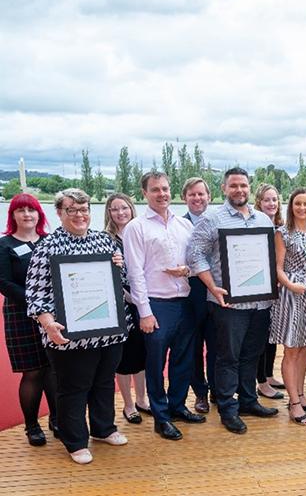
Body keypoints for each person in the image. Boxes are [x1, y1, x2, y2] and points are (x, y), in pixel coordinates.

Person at [26, 188, 130, 465]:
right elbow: (34, 294)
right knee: (73, 388)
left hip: (108, 331)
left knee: (104, 383)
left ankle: (103, 428)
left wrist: (120, 265)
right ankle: (75, 441)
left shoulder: (103, 241)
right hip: (69, 335)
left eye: (84, 209)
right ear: (59, 213)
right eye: (72, 210)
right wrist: (48, 324)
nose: (80, 215)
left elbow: (123, 281)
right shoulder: (47, 247)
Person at [187, 168, 279, 435]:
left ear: (249, 188)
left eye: (244, 185)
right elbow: (195, 255)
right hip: (228, 304)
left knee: (251, 354)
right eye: (234, 186)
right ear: (224, 188)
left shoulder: (263, 219)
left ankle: (249, 401)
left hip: (260, 303)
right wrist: (212, 286)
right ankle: (228, 408)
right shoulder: (211, 219)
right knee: (228, 357)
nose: (239, 190)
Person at [124, 172, 204, 441]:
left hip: (185, 302)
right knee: (156, 364)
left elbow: (197, 261)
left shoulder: (184, 225)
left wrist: (188, 270)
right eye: (155, 189)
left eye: (165, 189)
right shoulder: (136, 228)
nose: (162, 194)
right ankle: (161, 417)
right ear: (144, 193)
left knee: (184, 360)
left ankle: (178, 405)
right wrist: (144, 312)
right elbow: (135, 273)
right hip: (156, 305)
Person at [0, 194, 57, 446]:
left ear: (39, 214)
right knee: (33, 371)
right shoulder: (5, 245)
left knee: (54, 368)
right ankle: (32, 425)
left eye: (31, 210)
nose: (27, 215)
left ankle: (57, 419)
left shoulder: (49, 240)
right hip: (20, 314)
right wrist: (35, 302)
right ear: (12, 215)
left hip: (54, 315)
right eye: (20, 210)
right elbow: (4, 283)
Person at [269, 188, 306, 425]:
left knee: (304, 348)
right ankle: (293, 403)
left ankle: (301, 395)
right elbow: (278, 268)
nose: (302, 208)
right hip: (291, 295)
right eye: (298, 204)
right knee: (291, 349)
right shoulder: (283, 233)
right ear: (291, 207)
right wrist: (291, 286)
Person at [104, 193, 150, 425]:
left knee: (141, 354)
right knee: (124, 357)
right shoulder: (106, 240)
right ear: (109, 213)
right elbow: (107, 275)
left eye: (124, 208)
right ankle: (128, 405)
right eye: (115, 209)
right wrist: (129, 296)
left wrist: (142, 298)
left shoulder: (140, 233)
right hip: (121, 305)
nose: (121, 212)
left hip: (143, 302)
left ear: (132, 209)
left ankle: (142, 399)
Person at [181, 177, 216, 414]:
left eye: (201, 194)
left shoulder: (218, 222)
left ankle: (217, 390)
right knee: (193, 347)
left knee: (217, 345)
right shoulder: (176, 226)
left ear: (209, 197)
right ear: (185, 198)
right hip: (190, 293)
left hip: (216, 292)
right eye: (192, 194)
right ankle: (200, 393)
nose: (197, 198)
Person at [252, 183, 285, 401]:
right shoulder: (255, 226)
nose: (271, 204)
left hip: (279, 290)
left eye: (274, 200)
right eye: (266, 200)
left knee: (272, 336)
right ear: (259, 203)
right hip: (260, 289)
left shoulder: (281, 226)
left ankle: (269, 374)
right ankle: (261, 382)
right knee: (261, 337)